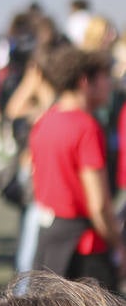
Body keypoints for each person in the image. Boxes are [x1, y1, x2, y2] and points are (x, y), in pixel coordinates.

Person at [28, 46, 121, 287]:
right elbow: (98, 205)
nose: (109, 84)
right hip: (84, 248)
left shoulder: (45, 120)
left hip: (49, 241)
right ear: (84, 81)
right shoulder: (87, 127)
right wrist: (119, 245)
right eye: (104, 78)